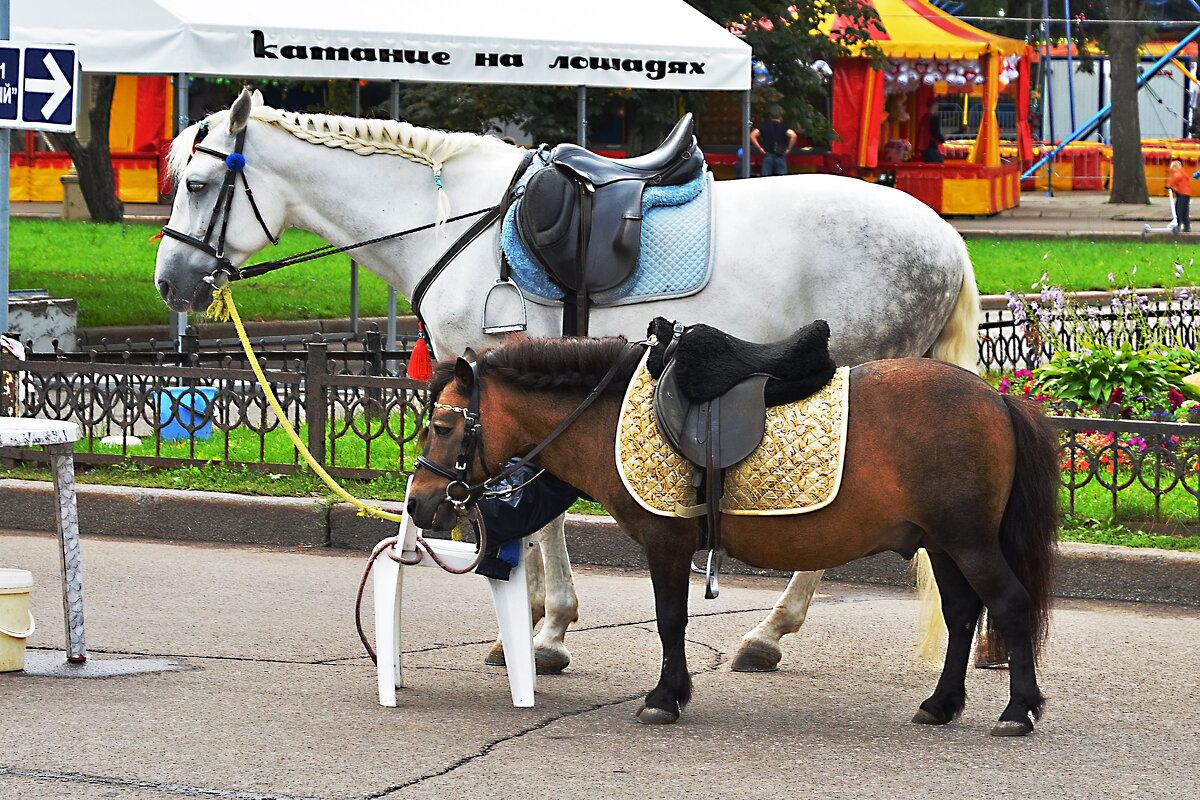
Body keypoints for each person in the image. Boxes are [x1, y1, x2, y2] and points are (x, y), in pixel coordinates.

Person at [750, 104, 797, 177]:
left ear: (770, 116)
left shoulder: (764, 126)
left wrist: (759, 148)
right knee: (782, 180)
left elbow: (752, 135)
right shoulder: (783, 127)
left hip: (768, 155)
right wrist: (788, 149)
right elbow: (793, 135)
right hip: (780, 155)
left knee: (766, 179)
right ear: (780, 116)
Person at [916, 97, 945, 164]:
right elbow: (935, 133)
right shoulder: (933, 118)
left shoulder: (924, 117)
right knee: (938, 166)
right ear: (934, 105)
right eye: (936, 104)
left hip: (924, 147)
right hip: (931, 146)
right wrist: (942, 139)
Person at [1167, 159, 1192, 233]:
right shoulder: (1184, 172)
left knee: (1178, 210)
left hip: (1182, 194)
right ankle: (1187, 226)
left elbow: (1175, 178)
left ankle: (1178, 225)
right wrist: (1174, 189)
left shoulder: (1179, 172)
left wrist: (1169, 185)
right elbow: (1181, 184)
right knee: (1185, 210)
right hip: (1186, 193)